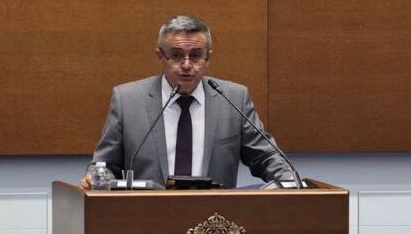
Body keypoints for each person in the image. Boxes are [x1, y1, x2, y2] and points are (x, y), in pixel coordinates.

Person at [81, 15, 293, 189]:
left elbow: (266, 157)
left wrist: (289, 180)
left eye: (196, 56)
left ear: (208, 58)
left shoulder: (233, 98)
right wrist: (95, 178)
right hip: (146, 217)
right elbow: (105, 164)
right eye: (176, 55)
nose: (186, 65)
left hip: (215, 219)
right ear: (160, 56)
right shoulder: (127, 100)